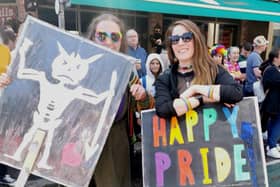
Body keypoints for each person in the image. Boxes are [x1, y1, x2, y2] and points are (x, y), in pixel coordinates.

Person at [87, 14, 154, 187]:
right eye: (101, 36)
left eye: (114, 37)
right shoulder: (78, 66)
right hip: (80, 142)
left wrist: (143, 96)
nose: (108, 42)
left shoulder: (127, 71)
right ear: (92, 37)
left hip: (115, 144)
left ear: (121, 41)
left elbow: (145, 109)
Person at [155, 19, 243, 118]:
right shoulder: (165, 78)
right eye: (175, 39)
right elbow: (163, 109)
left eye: (186, 37)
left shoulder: (214, 69)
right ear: (171, 46)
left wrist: (195, 89)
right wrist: (201, 99)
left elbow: (236, 92)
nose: (180, 43)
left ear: (196, 41)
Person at [261, 48, 280, 158]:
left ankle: (271, 144)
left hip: (275, 103)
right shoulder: (271, 70)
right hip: (273, 103)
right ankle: (272, 146)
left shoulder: (275, 69)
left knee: (273, 123)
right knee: (277, 123)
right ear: (275, 58)